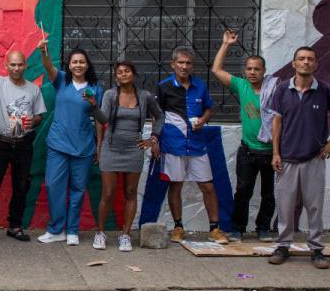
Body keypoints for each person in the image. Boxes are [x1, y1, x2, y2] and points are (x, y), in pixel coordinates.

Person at [266, 46, 330, 269]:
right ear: (294, 64)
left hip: (314, 158)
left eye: (310, 59)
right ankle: (283, 246)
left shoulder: (324, 90)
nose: (306, 62)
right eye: (301, 59)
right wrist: (275, 152)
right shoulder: (283, 89)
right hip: (287, 159)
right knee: (285, 206)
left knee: (314, 207)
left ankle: (316, 250)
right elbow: (277, 122)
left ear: (316, 64)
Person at [0, 34, 46, 242]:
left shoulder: (34, 89)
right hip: (0, 143)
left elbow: (39, 117)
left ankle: (15, 226)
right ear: (7, 66)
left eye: (20, 65)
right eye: (13, 65)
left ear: (26, 66)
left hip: (24, 143)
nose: (16, 68)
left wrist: (31, 123)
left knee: (21, 185)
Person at [156, 46, 228, 244]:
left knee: (207, 186)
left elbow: (209, 108)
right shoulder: (163, 86)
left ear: (192, 65)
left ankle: (214, 229)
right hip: (173, 144)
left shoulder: (200, 86)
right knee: (175, 184)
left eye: (188, 63)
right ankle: (178, 227)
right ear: (173, 64)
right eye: (180, 62)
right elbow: (158, 115)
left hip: (197, 144)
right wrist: (156, 140)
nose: (184, 66)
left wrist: (203, 120)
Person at [37, 45, 106, 246]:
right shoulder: (61, 80)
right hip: (58, 144)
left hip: (83, 147)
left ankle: (73, 230)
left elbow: (99, 120)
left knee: (78, 188)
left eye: (81, 62)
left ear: (87, 65)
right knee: (53, 185)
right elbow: (48, 66)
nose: (78, 65)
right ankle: (56, 229)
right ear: (69, 64)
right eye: (74, 61)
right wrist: (44, 52)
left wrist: (99, 147)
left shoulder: (95, 89)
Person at [211, 29, 277, 241]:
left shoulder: (275, 89)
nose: (252, 72)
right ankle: (238, 229)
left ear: (264, 71)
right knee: (243, 191)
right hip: (248, 151)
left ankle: (263, 228)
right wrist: (226, 45)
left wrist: (278, 152)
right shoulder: (242, 85)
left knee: (268, 194)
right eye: (249, 68)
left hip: (271, 152)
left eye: (256, 69)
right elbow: (216, 70)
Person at [94, 61, 163, 252]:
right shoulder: (110, 95)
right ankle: (100, 233)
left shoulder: (144, 96)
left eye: (127, 71)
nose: (123, 74)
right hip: (111, 148)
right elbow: (103, 119)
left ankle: (125, 235)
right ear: (116, 77)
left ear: (133, 74)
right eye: (120, 72)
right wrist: (94, 106)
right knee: (108, 193)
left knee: (130, 193)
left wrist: (153, 138)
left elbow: (160, 115)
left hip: (134, 150)